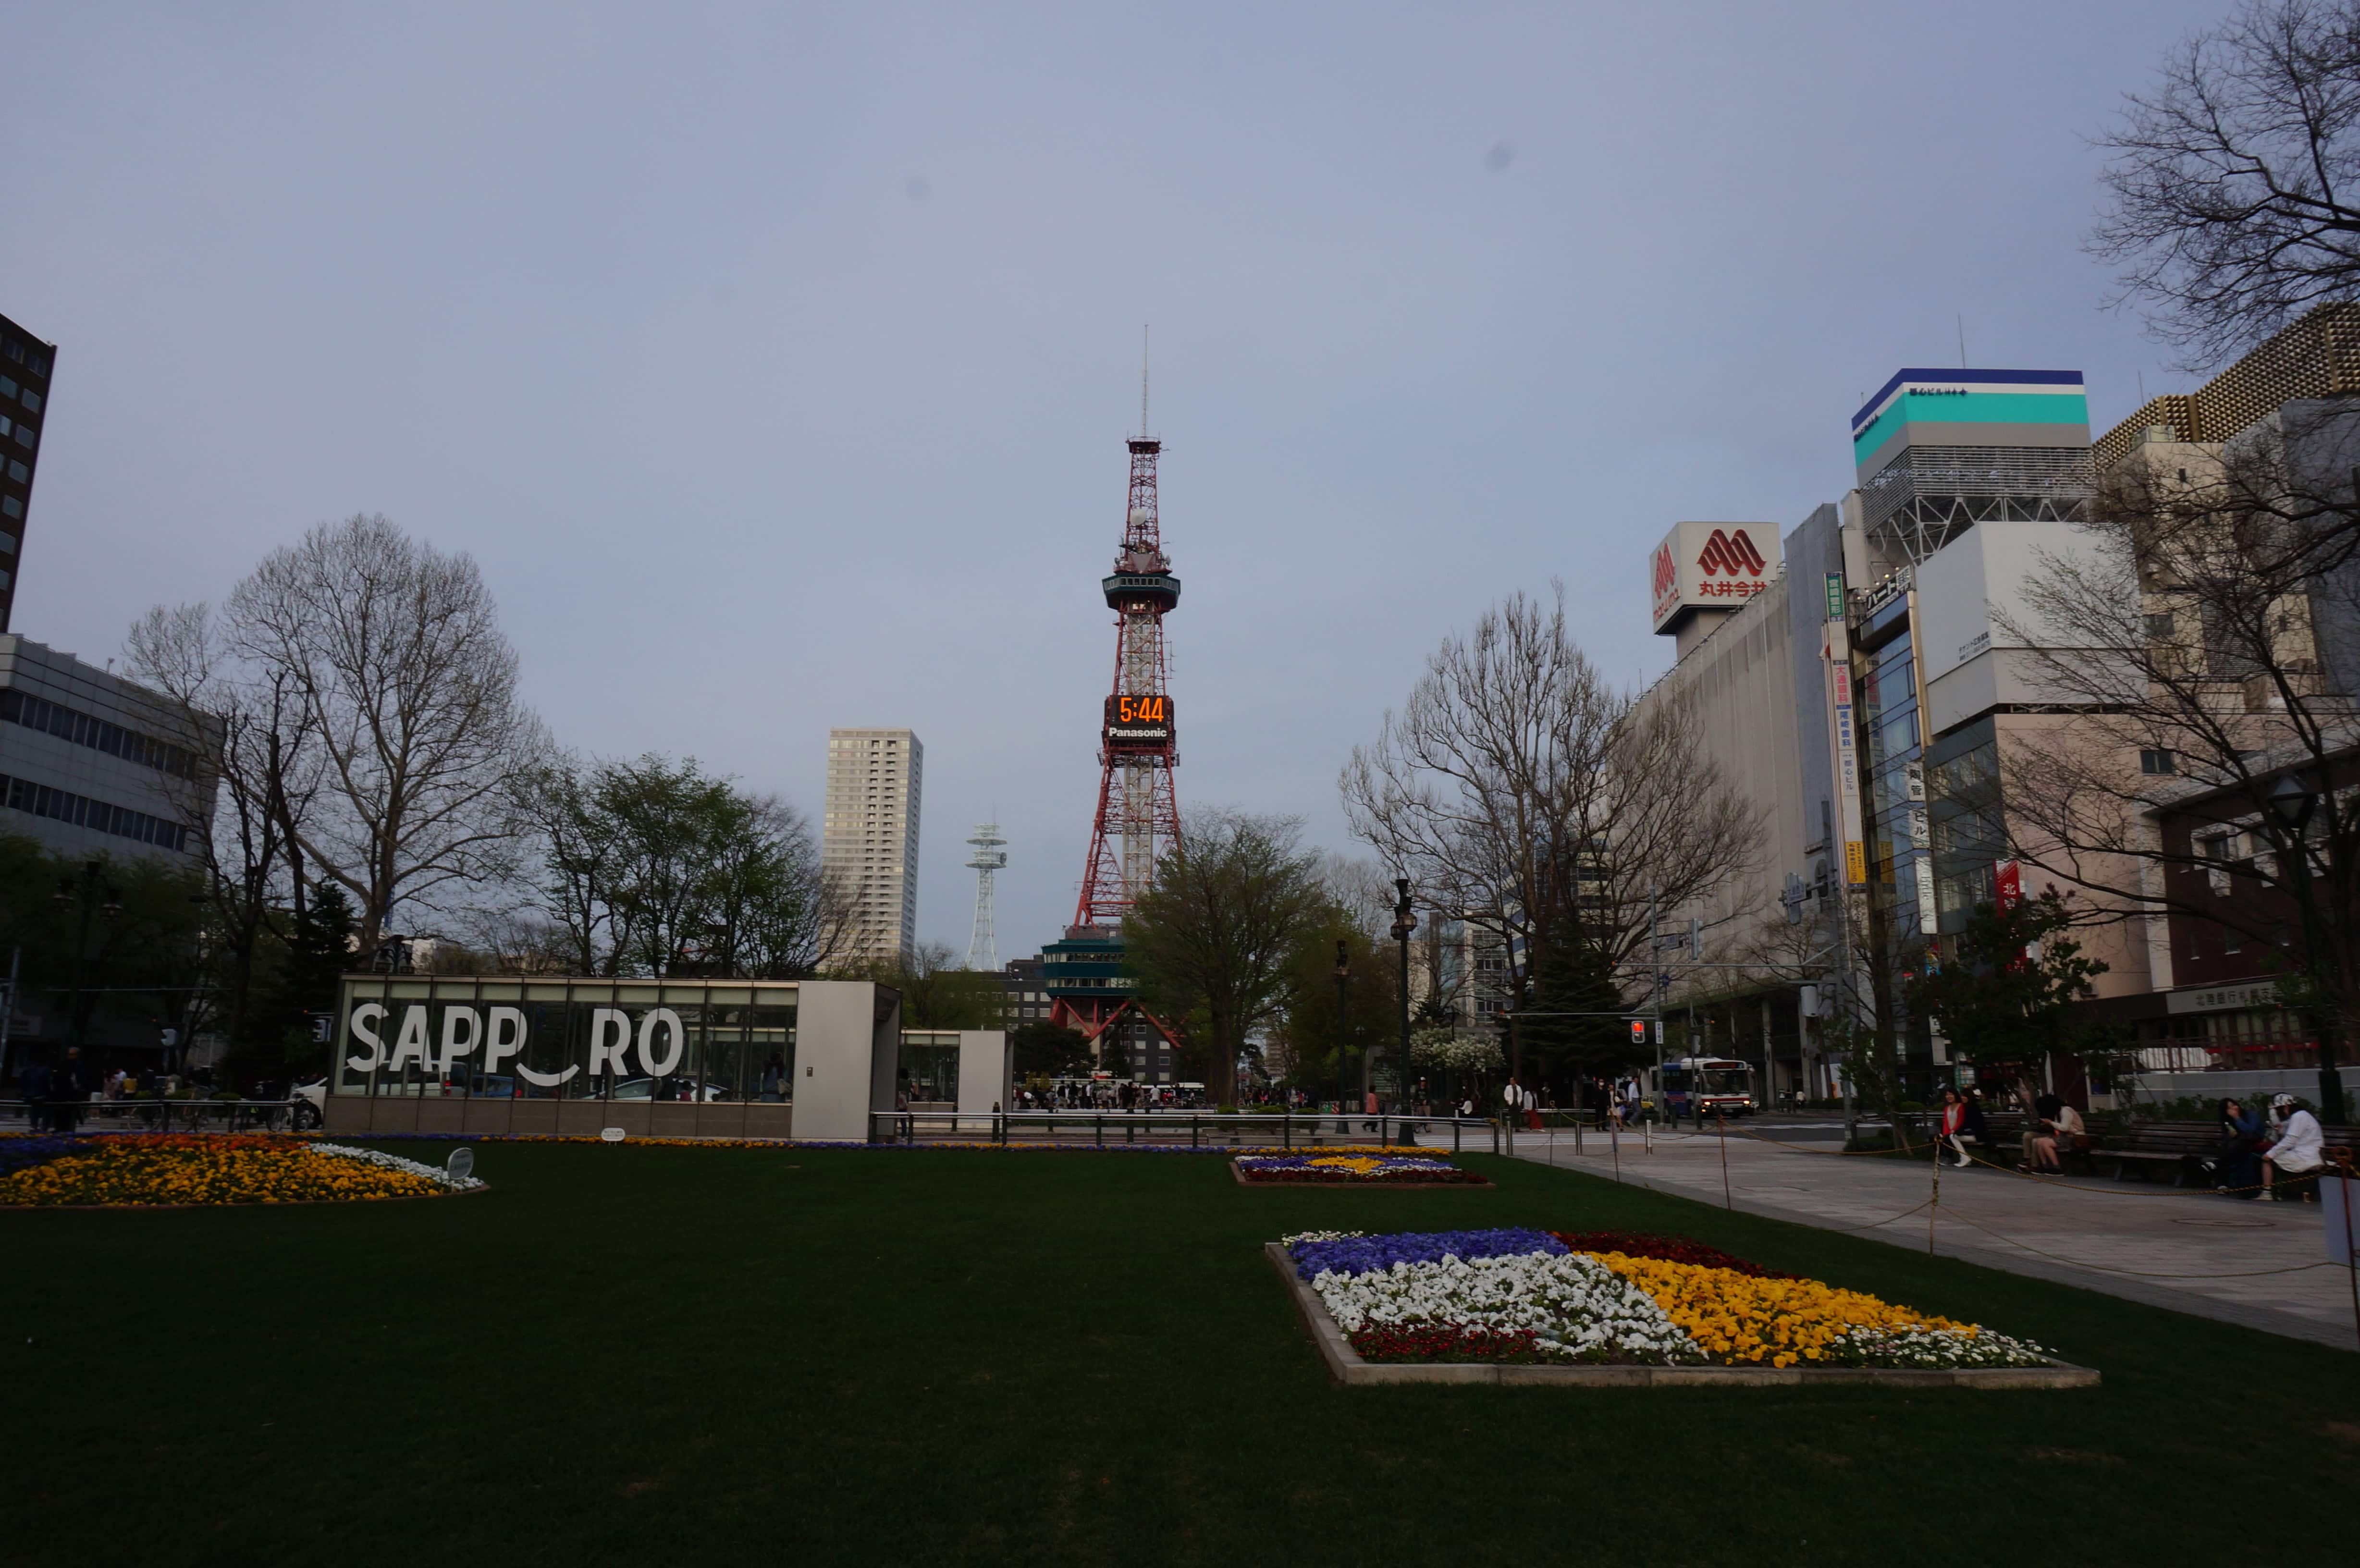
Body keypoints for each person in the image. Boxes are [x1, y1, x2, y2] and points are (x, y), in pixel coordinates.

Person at [2259, 1093, 2324, 1201]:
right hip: (2308, 1155)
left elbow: (2290, 1140)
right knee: (2274, 1156)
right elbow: (2282, 1127)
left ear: (2285, 1107)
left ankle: (2267, 1192)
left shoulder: (2298, 1117)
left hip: (2305, 1157)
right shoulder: (2302, 1116)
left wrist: (2270, 1154)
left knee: (2267, 1160)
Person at [2200, 1097, 2264, 1194]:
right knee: (2227, 1147)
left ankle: (2217, 1166)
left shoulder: (2251, 1115)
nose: (2234, 1109)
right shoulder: (2228, 1121)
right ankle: (2222, 1184)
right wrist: (2230, 1136)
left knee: (2236, 1148)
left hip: (2255, 1143)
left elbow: (2250, 1131)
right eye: (2229, 1108)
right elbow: (2228, 1137)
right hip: (2238, 1146)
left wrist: (2237, 1118)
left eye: (2234, 1105)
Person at [1938, 1089, 1970, 1168]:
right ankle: (1943, 1156)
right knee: (1937, 1138)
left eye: (1951, 1094)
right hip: (1949, 1131)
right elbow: (1946, 1122)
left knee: (1948, 1138)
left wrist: (1953, 1131)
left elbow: (1961, 1120)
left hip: (1957, 1131)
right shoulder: (1947, 1108)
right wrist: (1945, 1133)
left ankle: (1950, 1158)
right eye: (1947, 1095)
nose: (1949, 1097)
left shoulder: (1961, 1106)